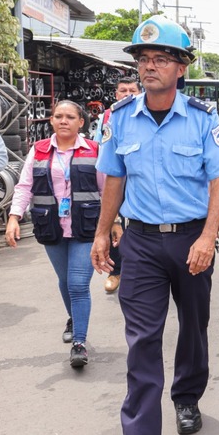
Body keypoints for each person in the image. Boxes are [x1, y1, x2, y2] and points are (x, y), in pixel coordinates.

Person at [91, 15, 219, 435]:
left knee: (193, 326)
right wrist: (101, 232)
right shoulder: (120, 119)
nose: (149, 67)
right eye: (143, 60)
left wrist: (207, 237)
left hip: (190, 239)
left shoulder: (201, 120)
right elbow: (115, 179)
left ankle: (188, 396)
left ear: (180, 68)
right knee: (142, 344)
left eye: (160, 59)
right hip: (140, 244)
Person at [4, 100, 104, 368]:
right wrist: (14, 217)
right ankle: (74, 317)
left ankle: (79, 343)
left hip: (86, 227)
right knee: (64, 280)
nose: (63, 121)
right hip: (51, 226)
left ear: (80, 122)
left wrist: (111, 224)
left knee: (78, 284)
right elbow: (25, 187)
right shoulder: (38, 151)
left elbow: (107, 190)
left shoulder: (95, 150)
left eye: (70, 117)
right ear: (51, 121)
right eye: (58, 116)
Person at [94, 76, 141, 294]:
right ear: (116, 94)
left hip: (139, 180)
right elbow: (100, 149)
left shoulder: (146, 115)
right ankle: (116, 271)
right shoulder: (109, 116)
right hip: (115, 179)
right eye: (123, 90)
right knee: (114, 225)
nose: (128, 94)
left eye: (132, 89)